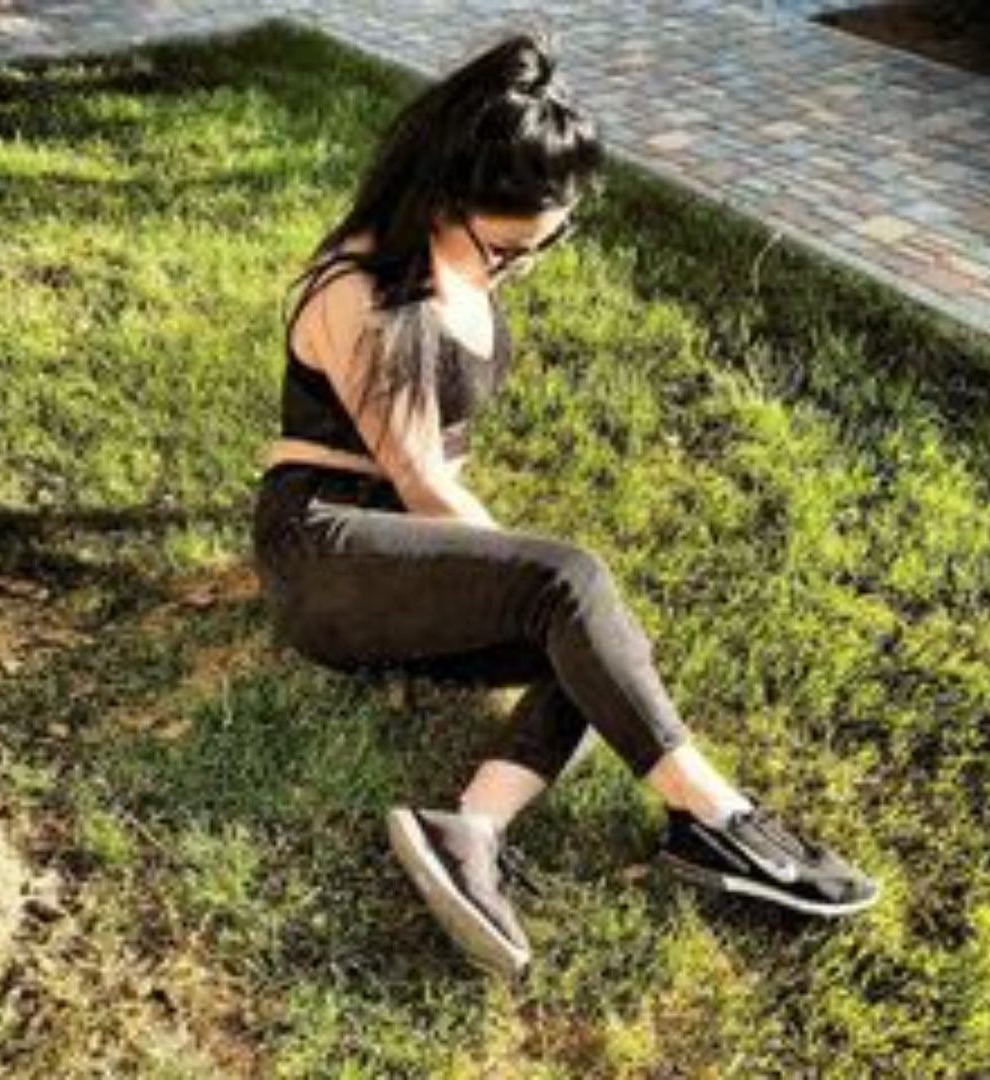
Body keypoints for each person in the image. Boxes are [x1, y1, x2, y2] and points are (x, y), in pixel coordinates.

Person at [251, 29, 880, 980]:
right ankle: (716, 813)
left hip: (394, 555)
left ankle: (469, 829)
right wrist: (531, 585)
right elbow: (425, 484)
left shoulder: (456, 256)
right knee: (570, 592)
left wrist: (548, 606)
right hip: (324, 554)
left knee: (598, 650)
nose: (521, 267)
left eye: (544, 246)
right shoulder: (364, 292)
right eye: (507, 249)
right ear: (443, 199)